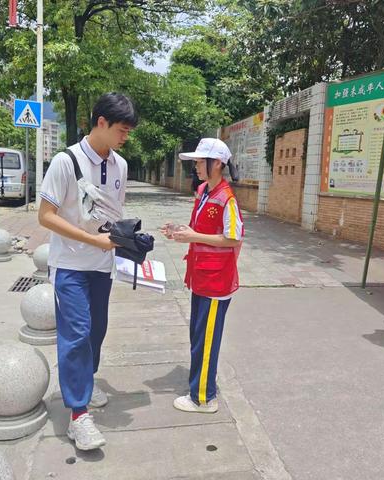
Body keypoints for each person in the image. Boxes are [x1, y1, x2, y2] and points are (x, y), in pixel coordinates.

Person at [38, 92, 138, 450]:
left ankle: (85, 381)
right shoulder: (65, 162)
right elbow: (45, 216)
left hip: (102, 266)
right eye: (122, 130)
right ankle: (78, 415)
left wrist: (130, 241)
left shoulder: (121, 166)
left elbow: (114, 213)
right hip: (70, 265)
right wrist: (92, 241)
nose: (126, 137)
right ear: (101, 123)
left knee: (96, 331)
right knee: (77, 333)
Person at [161, 138, 244, 413]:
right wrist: (181, 230)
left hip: (215, 281)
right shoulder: (205, 191)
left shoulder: (226, 198)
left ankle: (203, 398)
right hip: (202, 277)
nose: (196, 166)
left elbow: (233, 237)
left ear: (217, 163)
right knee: (199, 336)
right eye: (196, 161)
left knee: (206, 338)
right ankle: (200, 387)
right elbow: (202, 229)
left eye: (200, 161)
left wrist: (193, 235)